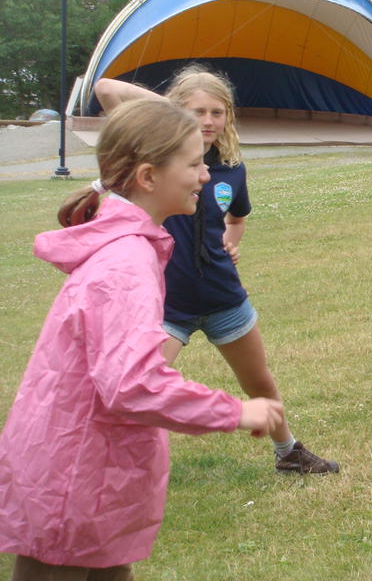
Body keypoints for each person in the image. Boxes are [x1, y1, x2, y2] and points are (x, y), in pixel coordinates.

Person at [0, 99, 284, 580]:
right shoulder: (124, 265)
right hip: (74, 477)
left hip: (91, 474)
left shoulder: (132, 248)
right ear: (148, 177)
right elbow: (133, 384)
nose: (204, 176)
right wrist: (234, 411)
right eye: (193, 165)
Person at [94, 67, 338, 473]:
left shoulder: (232, 168)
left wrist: (230, 240)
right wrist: (174, 118)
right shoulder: (156, 156)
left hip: (224, 297)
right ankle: (107, 467)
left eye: (216, 112)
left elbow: (237, 217)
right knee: (139, 388)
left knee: (259, 382)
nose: (207, 121)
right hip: (168, 304)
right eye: (197, 112)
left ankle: (288, 453)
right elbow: (106, 90)